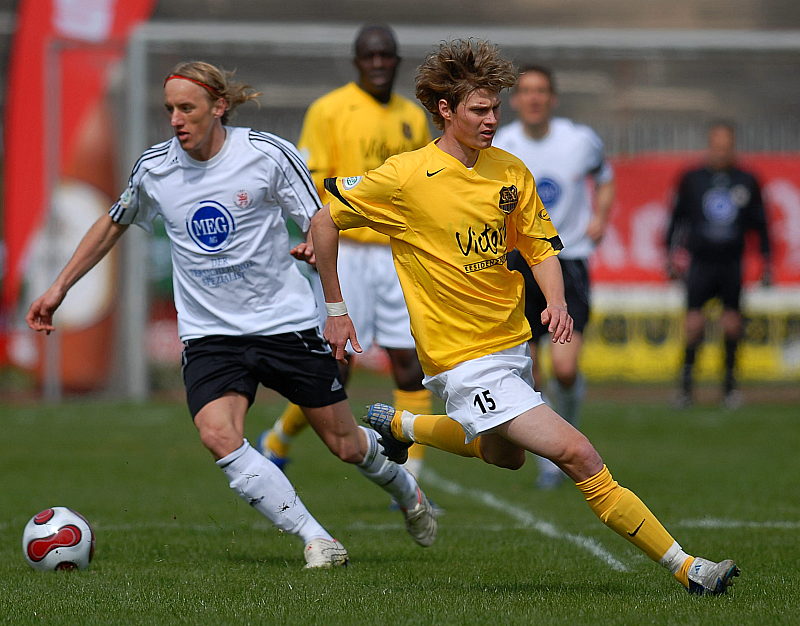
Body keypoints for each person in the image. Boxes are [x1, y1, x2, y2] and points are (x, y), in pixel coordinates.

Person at [311, 39, 739, 595]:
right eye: (479, 110)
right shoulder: (406, 177)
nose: (493, 120)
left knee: (503, 456)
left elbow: (539, 248)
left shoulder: (510, 171)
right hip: (462, 360)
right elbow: (324, 220)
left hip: (512, 347)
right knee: (577, 453)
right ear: (446, 109)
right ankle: (688, 567)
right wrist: (336, 308)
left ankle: (401, 425)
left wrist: (556, 303)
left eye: (495, 109)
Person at [25, 61, 437, 569]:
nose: (176, 119)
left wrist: (329, 293)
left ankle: (406, 489)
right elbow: (113, 223)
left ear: (219, 107)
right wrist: (58, 288)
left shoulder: (265, 155)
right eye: (170, 109)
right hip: (210, 334)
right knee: (218, 434)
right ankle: (317, 539)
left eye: (187, 108)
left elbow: (319, 218)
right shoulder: (155, 168)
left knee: (347, 446)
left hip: (283, 324)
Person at [259, 24, 434, 481]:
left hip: (395, 252)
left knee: (409, 362)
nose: (378, 63)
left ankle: (411, 474)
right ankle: (278, 438)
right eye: (370, 56)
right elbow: (311, 181)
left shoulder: (412, 117)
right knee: (338, 365)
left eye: (386, 56)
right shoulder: (329, 110)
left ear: (396, 61)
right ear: (357, 61)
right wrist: (314, 237)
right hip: (348, 250)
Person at [493, 65, 615, 489]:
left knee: (564, 367)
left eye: (541, 90)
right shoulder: (502, 144)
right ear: (516, 99)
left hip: (570, 260)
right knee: (532, 371)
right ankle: (551, 460)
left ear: (553, 98)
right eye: (525, 91)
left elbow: (605, 176)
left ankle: (573, 427)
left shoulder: (578, 140)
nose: (533, 98)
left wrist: (600, 216)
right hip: (517, 264)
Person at [665, 121, 772, 409]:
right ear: (709, 145)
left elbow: (760, 224)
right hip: (701, 262)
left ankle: (729, 387)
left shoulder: (747, 179)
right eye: (717, 145)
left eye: (726, 145)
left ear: (733, 146)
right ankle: (686, 388)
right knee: (694, 323)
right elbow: (677, 219)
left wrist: (766, 261)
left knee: (732, 324)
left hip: (731, 263)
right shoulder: (692, 178)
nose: (721, 151)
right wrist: (671, 256)